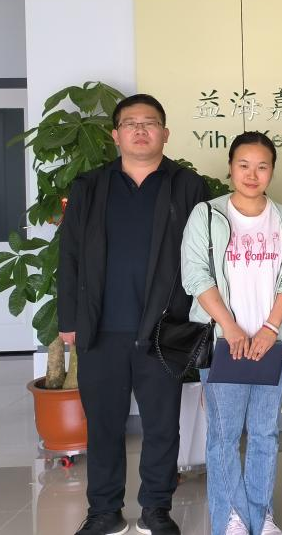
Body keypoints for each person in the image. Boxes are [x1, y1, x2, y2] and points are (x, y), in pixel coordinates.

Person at [58, 94, 208, 535]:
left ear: (165, 133)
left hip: (165, 328)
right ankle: (104, 511)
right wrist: (68, 320)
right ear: (116, 135)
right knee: (104, 425)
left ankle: (156, 509)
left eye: (150, 122)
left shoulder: (188, 186)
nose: (140, 130)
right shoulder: (89, 186)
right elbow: (69, 255)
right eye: (130, 123)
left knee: (162, 425)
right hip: (100, 327)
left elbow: (203, 255)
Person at [181, 132, 282, 535]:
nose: (252, 174)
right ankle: (231, 517)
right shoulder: (207, 215)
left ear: (272, 171)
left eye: (262, 166)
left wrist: (269, 328)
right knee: (224, 435)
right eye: (244, 165)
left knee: (266, 433)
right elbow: (195, 276)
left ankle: (260, 515)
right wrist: (230, 328)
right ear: (230, 168)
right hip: (223, 344)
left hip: (274, 344)